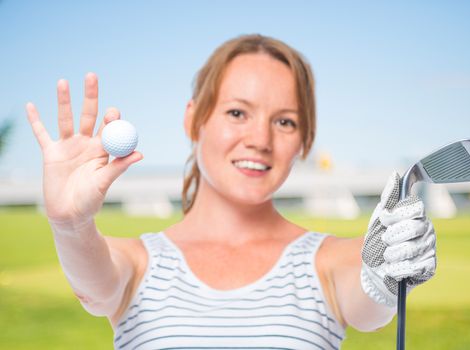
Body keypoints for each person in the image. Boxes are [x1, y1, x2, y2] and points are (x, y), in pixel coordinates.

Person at [26, 34, 436, 349]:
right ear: (194, 119)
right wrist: (71, 223)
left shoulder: (336, 260)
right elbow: (96, 284)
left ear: (305, 141)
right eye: (237, 112)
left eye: (285, 122)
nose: (259, 138)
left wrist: (383, 279)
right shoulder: (134, 263)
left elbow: (368, 304)